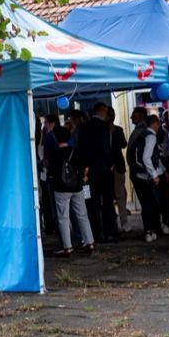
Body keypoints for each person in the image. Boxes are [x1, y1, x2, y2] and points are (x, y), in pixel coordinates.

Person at [47, 126, 95, 256]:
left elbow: (51, 173)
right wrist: (84, 176)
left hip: (61, 189)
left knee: (63, 217)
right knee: (82, 215)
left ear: (56, 138)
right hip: (77, 187)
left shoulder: (53, 154)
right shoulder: (76, 151)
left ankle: (67, 247)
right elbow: (85, 167)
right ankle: (90, 242)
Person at [77, 102, 119, 242]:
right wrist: (110, 163)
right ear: (102, 111)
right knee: (107, 201)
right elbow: (105, 147)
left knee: (91, 202)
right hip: (103, 170)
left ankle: (95, 232)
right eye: (106, 112)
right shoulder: (103, 126)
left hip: (89, 171)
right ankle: (109, 231)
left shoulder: (84, 126)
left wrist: (84, 167)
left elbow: (81, 147)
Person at [129, 114, 167, 243]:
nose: (160, 126)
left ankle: (149, 230)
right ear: (155, 123)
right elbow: (147, 157)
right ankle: (150, 230)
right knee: (152, 204)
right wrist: (155, 174)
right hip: (147, 176)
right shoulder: (151, 137)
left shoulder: (142, 135)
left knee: (146, 204)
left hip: (139, 174)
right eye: (159, 123)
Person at [107, 106, 130, 231]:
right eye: (109, 115)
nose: (111, 117)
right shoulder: (101, 131)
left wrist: (114, 132)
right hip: (106, 168)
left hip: (118, 166)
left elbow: (123, 144)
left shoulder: (118, 130)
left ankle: (124, 221)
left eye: (113, 115)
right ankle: (114, 221)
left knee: (121, 194)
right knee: (110, 195)